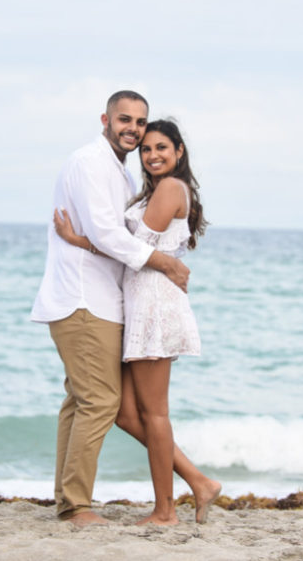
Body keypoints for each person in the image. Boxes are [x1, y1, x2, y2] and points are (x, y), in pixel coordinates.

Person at [30, 91, 191, 527]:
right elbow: (109, 235)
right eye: (125, 119)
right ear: (105, 118)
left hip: (106, 300)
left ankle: (69, 501)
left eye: (140, 123)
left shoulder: (119, 173)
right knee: (100, 401)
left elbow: (112, 236)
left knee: (82, 401)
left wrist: (89, 241)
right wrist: (164, 262)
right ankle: (76, 506)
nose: (133, 129)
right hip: (84, 299)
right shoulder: (89, 163)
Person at [53, 118, 221, 526]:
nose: (152, 155)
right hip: (140, 302)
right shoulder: (153, 191)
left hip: (154, 306)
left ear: (179, 152)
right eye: (146, 149)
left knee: (155, 413)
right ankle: (199, 482)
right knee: (126, 413)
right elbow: (131, 248)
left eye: (162, 147)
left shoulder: (168, 188)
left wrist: (79, 241)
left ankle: (165, 511)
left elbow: (135, 249)